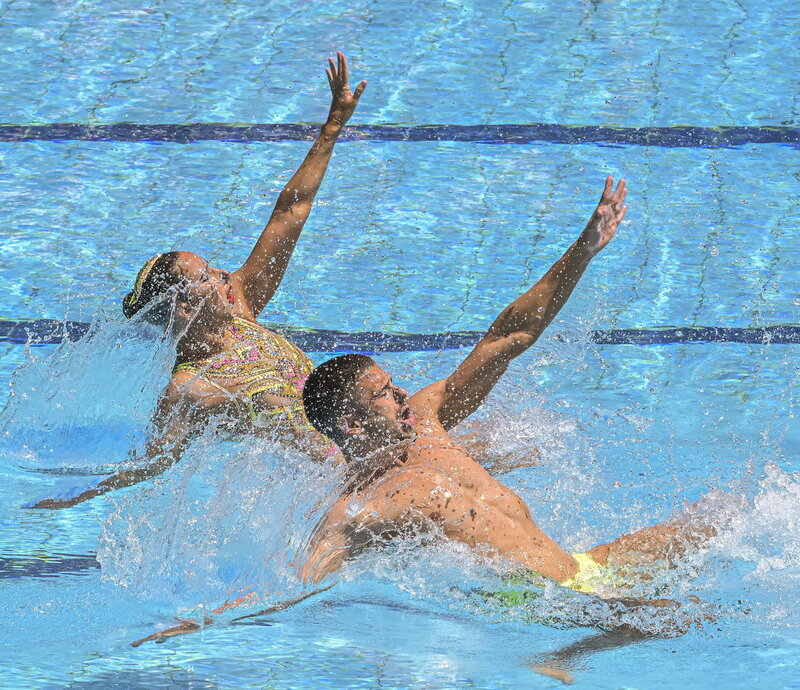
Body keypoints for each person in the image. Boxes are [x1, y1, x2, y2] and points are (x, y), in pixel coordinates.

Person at [299, 177, 714, 591]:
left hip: (577, 572)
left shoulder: (425, 421)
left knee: (717, 520)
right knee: (690, 623)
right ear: (351, 423)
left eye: (395, 384)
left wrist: (582, 253)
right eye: (385, 394)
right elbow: (305, 583)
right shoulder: (361, 508)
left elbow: (506, 336)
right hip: (538, 607)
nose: (403, 393)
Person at [32, 52, 366, 509]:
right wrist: (83, 494)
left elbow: (290, 211)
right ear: (184, 307)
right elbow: (155, 461)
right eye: (207, 276)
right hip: (333, 486)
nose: (225, 275)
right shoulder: (186, 386)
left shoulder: (241, 307)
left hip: (365, 434)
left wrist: (332, 128)